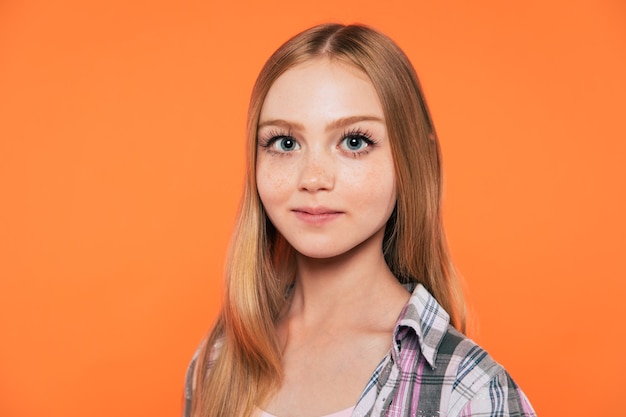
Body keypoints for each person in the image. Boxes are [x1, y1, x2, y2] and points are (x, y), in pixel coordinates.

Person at [184, 23, 536, 417]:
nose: (313, 179)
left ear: (413, 158)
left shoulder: (469, 392)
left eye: (354, 141)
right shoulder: (218, 360)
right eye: (284, 143)